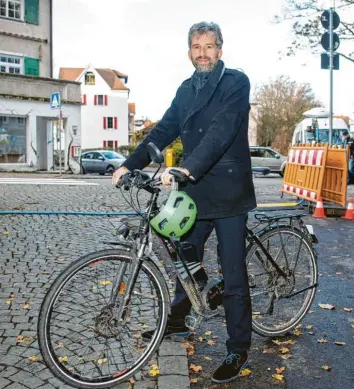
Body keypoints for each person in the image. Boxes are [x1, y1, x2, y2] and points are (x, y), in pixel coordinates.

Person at [113, 21, 256, 384]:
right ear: (189, 52)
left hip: (228, 191)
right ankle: (178, 322)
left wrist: (186, 167)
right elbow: (164, 130)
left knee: (234, 272)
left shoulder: (235, 82)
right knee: (183, 257)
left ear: (220, 50)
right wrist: (129, 164)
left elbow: (222, 131)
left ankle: (238, 347)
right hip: (194, 191)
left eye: (209, 46)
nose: (203, 53)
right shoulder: (186, 88)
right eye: (196, 46)